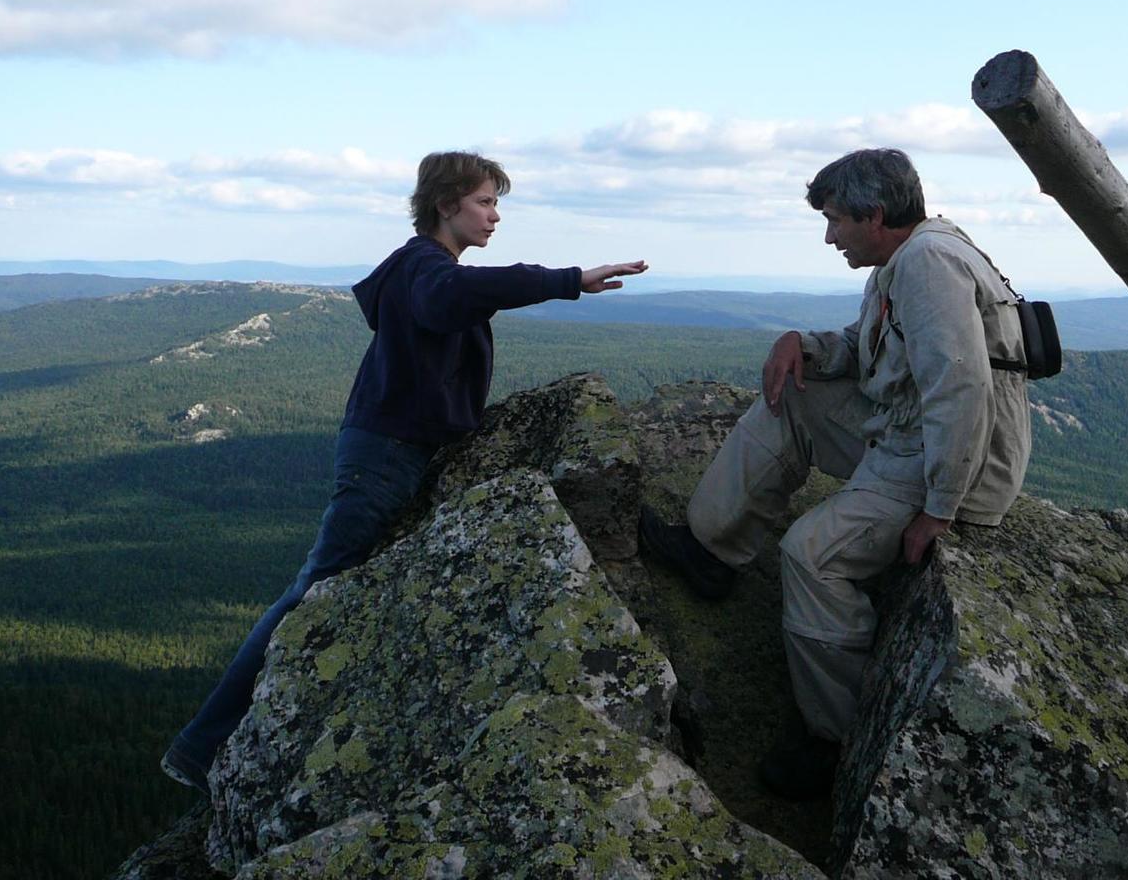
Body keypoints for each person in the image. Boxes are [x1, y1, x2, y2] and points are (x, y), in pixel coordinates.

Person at [162, 150, 647, 794]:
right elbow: (456, 297)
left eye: (496, 203)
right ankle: (201, 746)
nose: (495, 216)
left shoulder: (417, 267)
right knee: (313, 589)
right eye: (485, 202)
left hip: (387, 448)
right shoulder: (428, 270)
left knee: (322, 588)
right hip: (387, 454)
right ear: (446, 205)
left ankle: (214, 740)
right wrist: (566, 279)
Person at [639, 148, 1030, 799]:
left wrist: (939, 509)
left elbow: (960, 390)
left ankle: (838, 739)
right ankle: (711, 549)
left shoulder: (928, 265)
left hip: (948, 458)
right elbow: (873, 349)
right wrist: (806, 345)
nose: (829, 237)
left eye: (835, 221)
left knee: (812, 555)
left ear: (874, 215)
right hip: (907, 430)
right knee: (790, 393)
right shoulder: (907, 258)